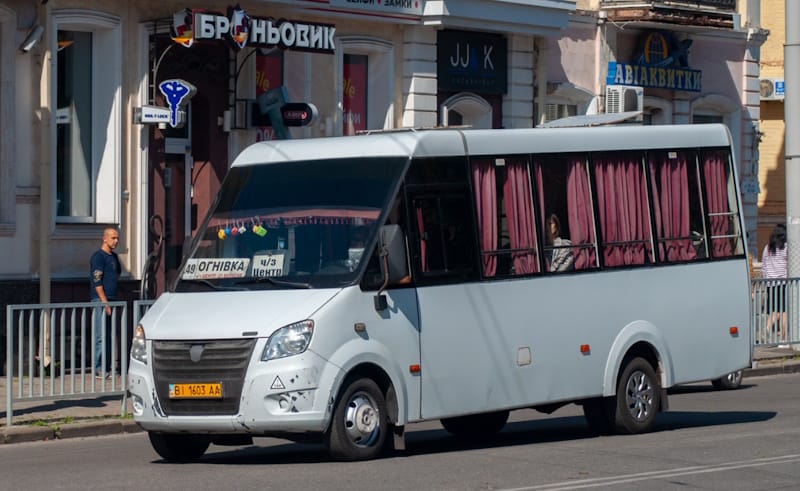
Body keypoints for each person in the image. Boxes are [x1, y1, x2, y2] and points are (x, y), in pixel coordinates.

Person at [90, 227, 121, 378]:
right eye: (113, 238)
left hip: (112, 298)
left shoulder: (114, 257)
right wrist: (104, 302)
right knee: (101, 335)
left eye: (117, 238)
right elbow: (97, 282)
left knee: (109, 335)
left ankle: (107, 367)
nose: (116, 241)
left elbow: (117, 274)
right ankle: (99, 367)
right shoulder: (98, 257)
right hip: (101, 300)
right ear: (105, 238)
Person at [761, 223, 787, 344]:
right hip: (783, 283)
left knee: (774, 310)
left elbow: (764, 266)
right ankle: (783, 339)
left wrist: (766, 279)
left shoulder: (767, 248)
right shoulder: (786, 248)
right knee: (783, 311)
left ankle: (766, 329)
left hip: (770, 283)